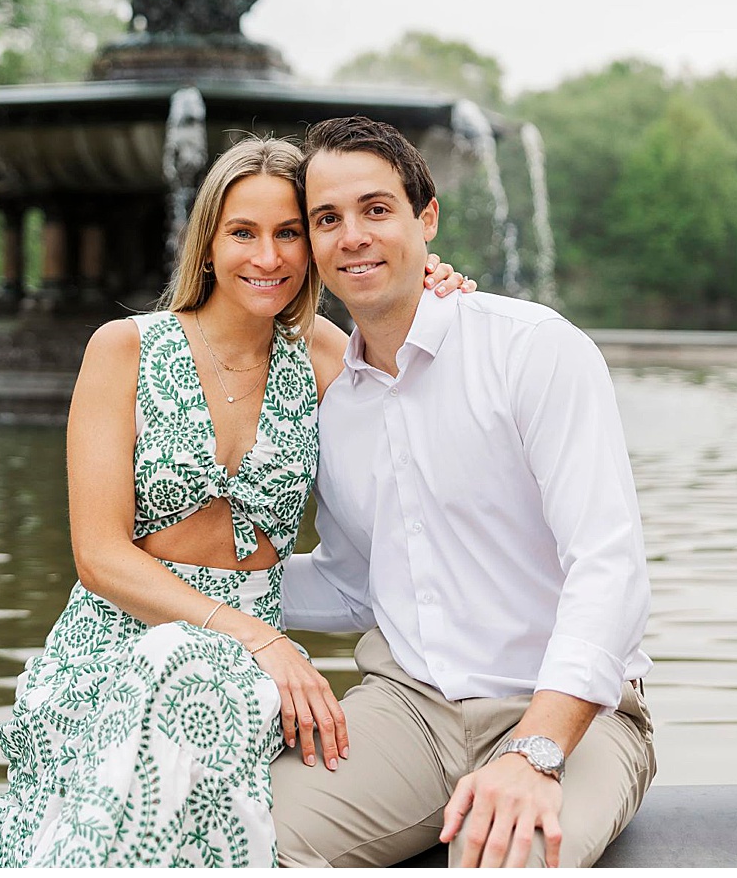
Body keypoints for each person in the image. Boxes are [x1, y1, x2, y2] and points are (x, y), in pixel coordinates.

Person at [0, 138, 472, 866]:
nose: (269, 256)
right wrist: (262, 639)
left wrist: (432, 284)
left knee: (203, 692)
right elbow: (98, 555)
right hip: (119, 643)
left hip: (244, 666)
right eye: (243, 232)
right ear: (207, 243)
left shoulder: (324, 352)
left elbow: (422, 392)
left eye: (289, 232)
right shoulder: (125, 348)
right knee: (174, 669)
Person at [271, 116, 655, 868]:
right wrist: (194, 585)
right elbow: (355, 587)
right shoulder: (337, 409)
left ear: (427, 217)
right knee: (238, 838)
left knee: (507, 862)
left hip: (571, 715)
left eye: (376, 210)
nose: (352, 236)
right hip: (407, 711)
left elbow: (608, 568)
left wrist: (536, 751)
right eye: (327, 218)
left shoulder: (533, 350)